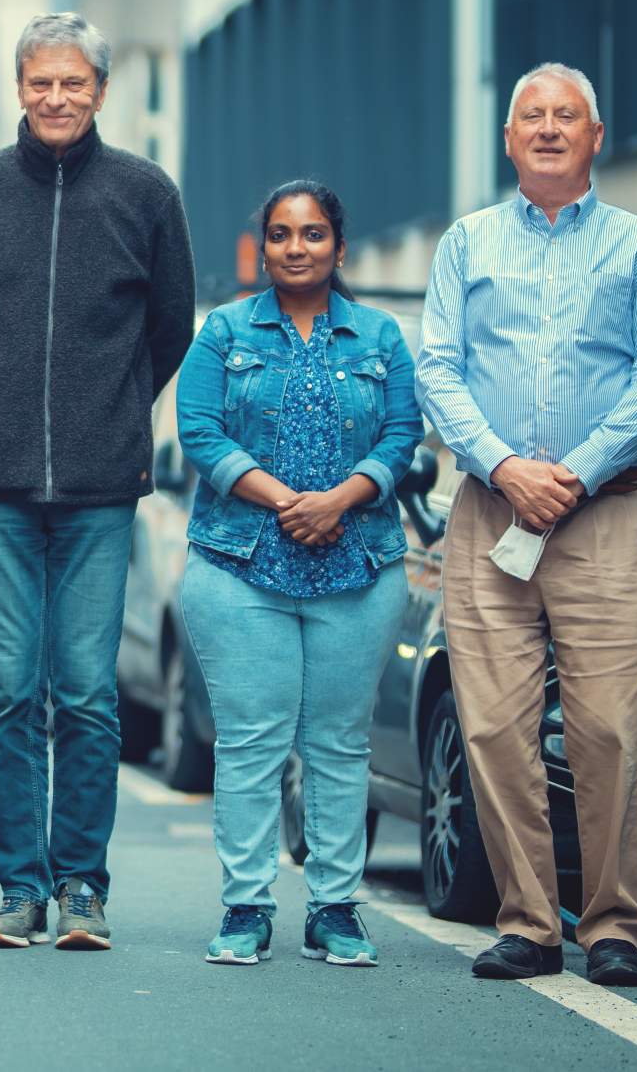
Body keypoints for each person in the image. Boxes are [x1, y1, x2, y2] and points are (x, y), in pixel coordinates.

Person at [0, 12, 196, 950]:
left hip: (99, 488)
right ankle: (19, 888)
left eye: (73, 83)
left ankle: (82, 885)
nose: (56, 98)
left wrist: (114, 414)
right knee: (12, 693)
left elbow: (171, 330)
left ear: (101, 92)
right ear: (19, 87)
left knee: (84, 690)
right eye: (41, 82)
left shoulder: (145, 194)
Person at [418, 62, 637, 988]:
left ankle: (615, 926)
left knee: (611, 729)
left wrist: (570, 473)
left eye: (564, 115)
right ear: (507, 138)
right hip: (491, 516)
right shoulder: (466, 242)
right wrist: (503, 465)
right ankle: (529, 923)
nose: (546, 128)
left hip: (606, 515)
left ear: (595, 135)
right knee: (493, 727)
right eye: (529, 115)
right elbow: (438, 369)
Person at [174, 182, 423, 967]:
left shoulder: (379, 335)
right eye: (281, 234)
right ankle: (246, 906)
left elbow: (402, 432)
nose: (296, 247)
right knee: (250, 742)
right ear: (264, 247)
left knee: (340, 743)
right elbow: (199, 431)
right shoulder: (224, 331)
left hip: (359, 564)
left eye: (312, 234)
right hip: (241, 566)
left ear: (338, 247)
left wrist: (342, 500)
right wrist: (288, 502)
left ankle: (335, 909)